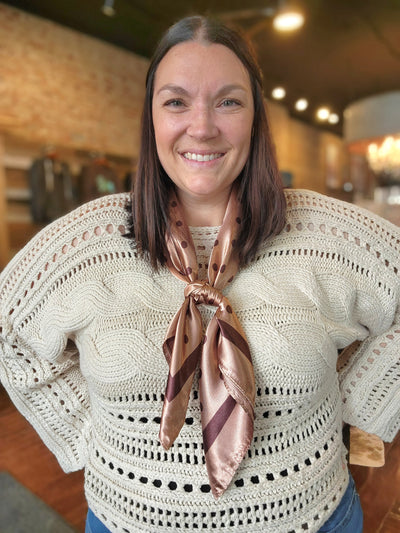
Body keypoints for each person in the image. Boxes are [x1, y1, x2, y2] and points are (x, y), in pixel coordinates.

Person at [0, 15, 398, 533]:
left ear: (256, 118)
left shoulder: (327, 234)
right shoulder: (86, 244)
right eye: (176, 101)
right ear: (152, 119)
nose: (203, 125)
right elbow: (9, 330)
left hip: (310, 517)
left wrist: (358, 403)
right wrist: (84, 432)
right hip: (128, 519)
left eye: (229, 101)